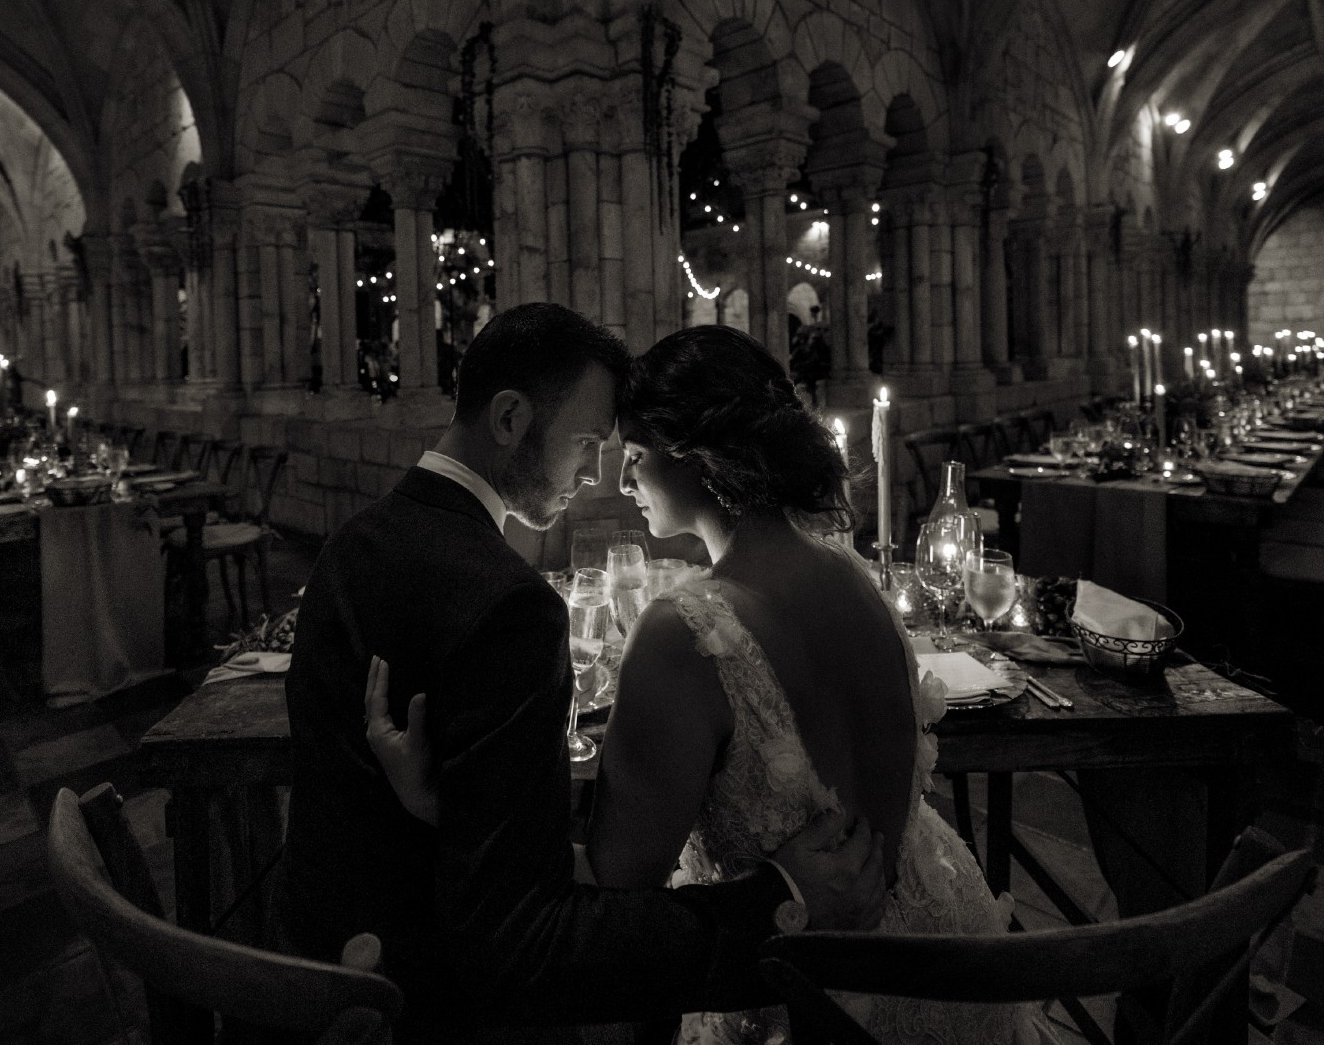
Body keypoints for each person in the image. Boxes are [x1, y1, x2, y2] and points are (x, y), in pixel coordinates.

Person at [369, 325, 1051, 1045]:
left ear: (695, 456)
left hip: (811, 999)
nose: (621, 482)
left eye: (635, 457)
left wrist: (456, 810)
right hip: (947, 965)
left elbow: (612, 884)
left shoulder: (684, 633)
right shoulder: (856, 576)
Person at [280, 305, 888, 1043]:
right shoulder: (509, 604)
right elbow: (525, 940)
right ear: (510, 418)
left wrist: (451, 807)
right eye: (589, 443)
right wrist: (777, 902)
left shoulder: (346, 547)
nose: (599, 473)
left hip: (319, 976)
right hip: (431, 1007)